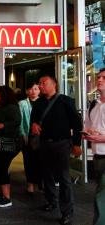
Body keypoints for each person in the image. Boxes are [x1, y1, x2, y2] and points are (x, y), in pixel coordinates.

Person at [30, 74, 82, 225]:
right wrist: (33, 124)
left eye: (43, 83)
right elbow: (34, 119)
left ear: (54, 85)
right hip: (44, 143)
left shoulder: (65, 101)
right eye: (40, 83)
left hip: (62, 144)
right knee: (47, 175)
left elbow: (77, 124)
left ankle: (67, 212)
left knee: (64, 178)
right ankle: (51, 201)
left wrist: (77, 143)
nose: (40, 86)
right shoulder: (38, 103)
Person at [82, 68, 105, 225]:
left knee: (101, 196)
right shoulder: (94, 105)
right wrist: (87, 133)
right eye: (98, 77)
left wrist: (102, 137)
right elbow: (87, 127)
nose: (100, 80)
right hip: (98, 156)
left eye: (104, 77)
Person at [19, 82, 42, 194]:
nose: (33, 91)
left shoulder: (43, 103)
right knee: (28, 161)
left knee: (40, 160)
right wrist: (23, 135)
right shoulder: (22, 104)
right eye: (31, 89)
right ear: (27, 91)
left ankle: (40, 182)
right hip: (27, 137)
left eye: (36, 89)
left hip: (41, 137)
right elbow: (20, 121)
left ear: (39, 90)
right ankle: (30, 183)